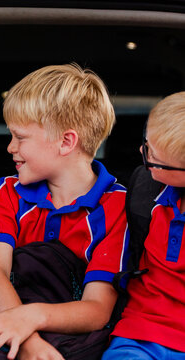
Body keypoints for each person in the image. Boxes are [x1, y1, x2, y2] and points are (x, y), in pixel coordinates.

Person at [0, 64, 129, 360]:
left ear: (66, 142)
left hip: (68, 331)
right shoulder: (7, 192)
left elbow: (98, 310)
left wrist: (29, 320)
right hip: (1, 314)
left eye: (20, 137)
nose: (10, 147)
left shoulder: (117, 207)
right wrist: (27, 341)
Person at [102, 92, 185, 359]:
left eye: (151, 155)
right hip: (139, 334)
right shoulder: (145, 193)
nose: (142, 152)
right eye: (145, 142)